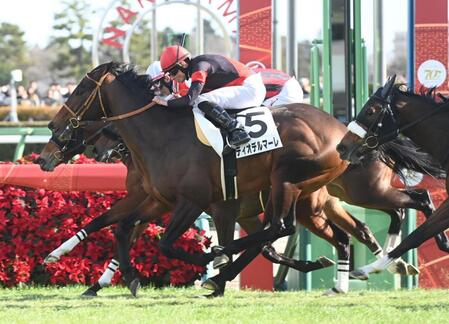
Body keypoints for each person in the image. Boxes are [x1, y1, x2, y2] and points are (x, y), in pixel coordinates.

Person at [152, 45, 266, 148]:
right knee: (200, 102)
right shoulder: (196, 67)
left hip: (251, 89)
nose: (171, 78)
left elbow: (190, 100)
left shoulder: (200, 67)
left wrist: (165, 102)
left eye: (173, 73)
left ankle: (236, 130)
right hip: (246, 88)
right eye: (169, 75)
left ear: (183, 64)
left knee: (201, 100)